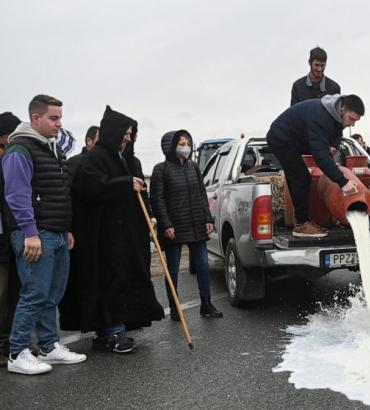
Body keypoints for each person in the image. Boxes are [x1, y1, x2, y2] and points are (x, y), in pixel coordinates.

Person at [59, 105, 164, 354]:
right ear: (114, 132)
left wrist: (148, 216)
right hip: (104, 235)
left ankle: (113, 329)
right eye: (125, 133)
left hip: (126, 234)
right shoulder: (96, 158)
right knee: (110, 281)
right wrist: (125, 183)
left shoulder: (125, 159)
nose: (128, 138)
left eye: (131, 134)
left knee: (125, 279)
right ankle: (113, 331)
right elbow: (93, 188)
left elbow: (137, 192)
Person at [3, 95, 86, 374]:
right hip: (35, 233)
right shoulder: (19, 149)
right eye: (54, 118)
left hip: (57, 232)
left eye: (61, 118)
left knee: (52, 293)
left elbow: (60, 193)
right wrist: (29, 232)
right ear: (36, 118)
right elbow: (16, 194)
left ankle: (49, 346)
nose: (59, 124)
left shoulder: (53, 149)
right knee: (34, 293)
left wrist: (67, 229)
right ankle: (17, 352)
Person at [267, 94, 363, 237]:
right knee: (301, 177)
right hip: (281, 138)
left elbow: (336, 135)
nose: (352, 124)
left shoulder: (335, 116)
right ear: (342, 109)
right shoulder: (321, 117)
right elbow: (320, 157)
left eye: (356, 121)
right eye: (351, 119)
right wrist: (343, 182)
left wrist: (332, 146)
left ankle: (301, 220)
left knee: (297, 176)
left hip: (297, 138)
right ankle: (301, 225)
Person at [151, 130, 222, 320]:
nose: (186, 147)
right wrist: (166, 224)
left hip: (196, 223)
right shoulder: (161, 170)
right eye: (181, 143)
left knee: (202, 265)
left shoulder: (193, 167)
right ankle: (174, 307)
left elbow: (201, 193)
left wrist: (208, 219)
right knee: (172, 269)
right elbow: (157, 200)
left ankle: (206, 304)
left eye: (188, 143)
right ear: (171, 146)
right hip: (174, 227)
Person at [0, 112, 22, 366]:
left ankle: (9, 341)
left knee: (14, 293)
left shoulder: (13, 158)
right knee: (3, 294)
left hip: (12, 237)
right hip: (3, 241)